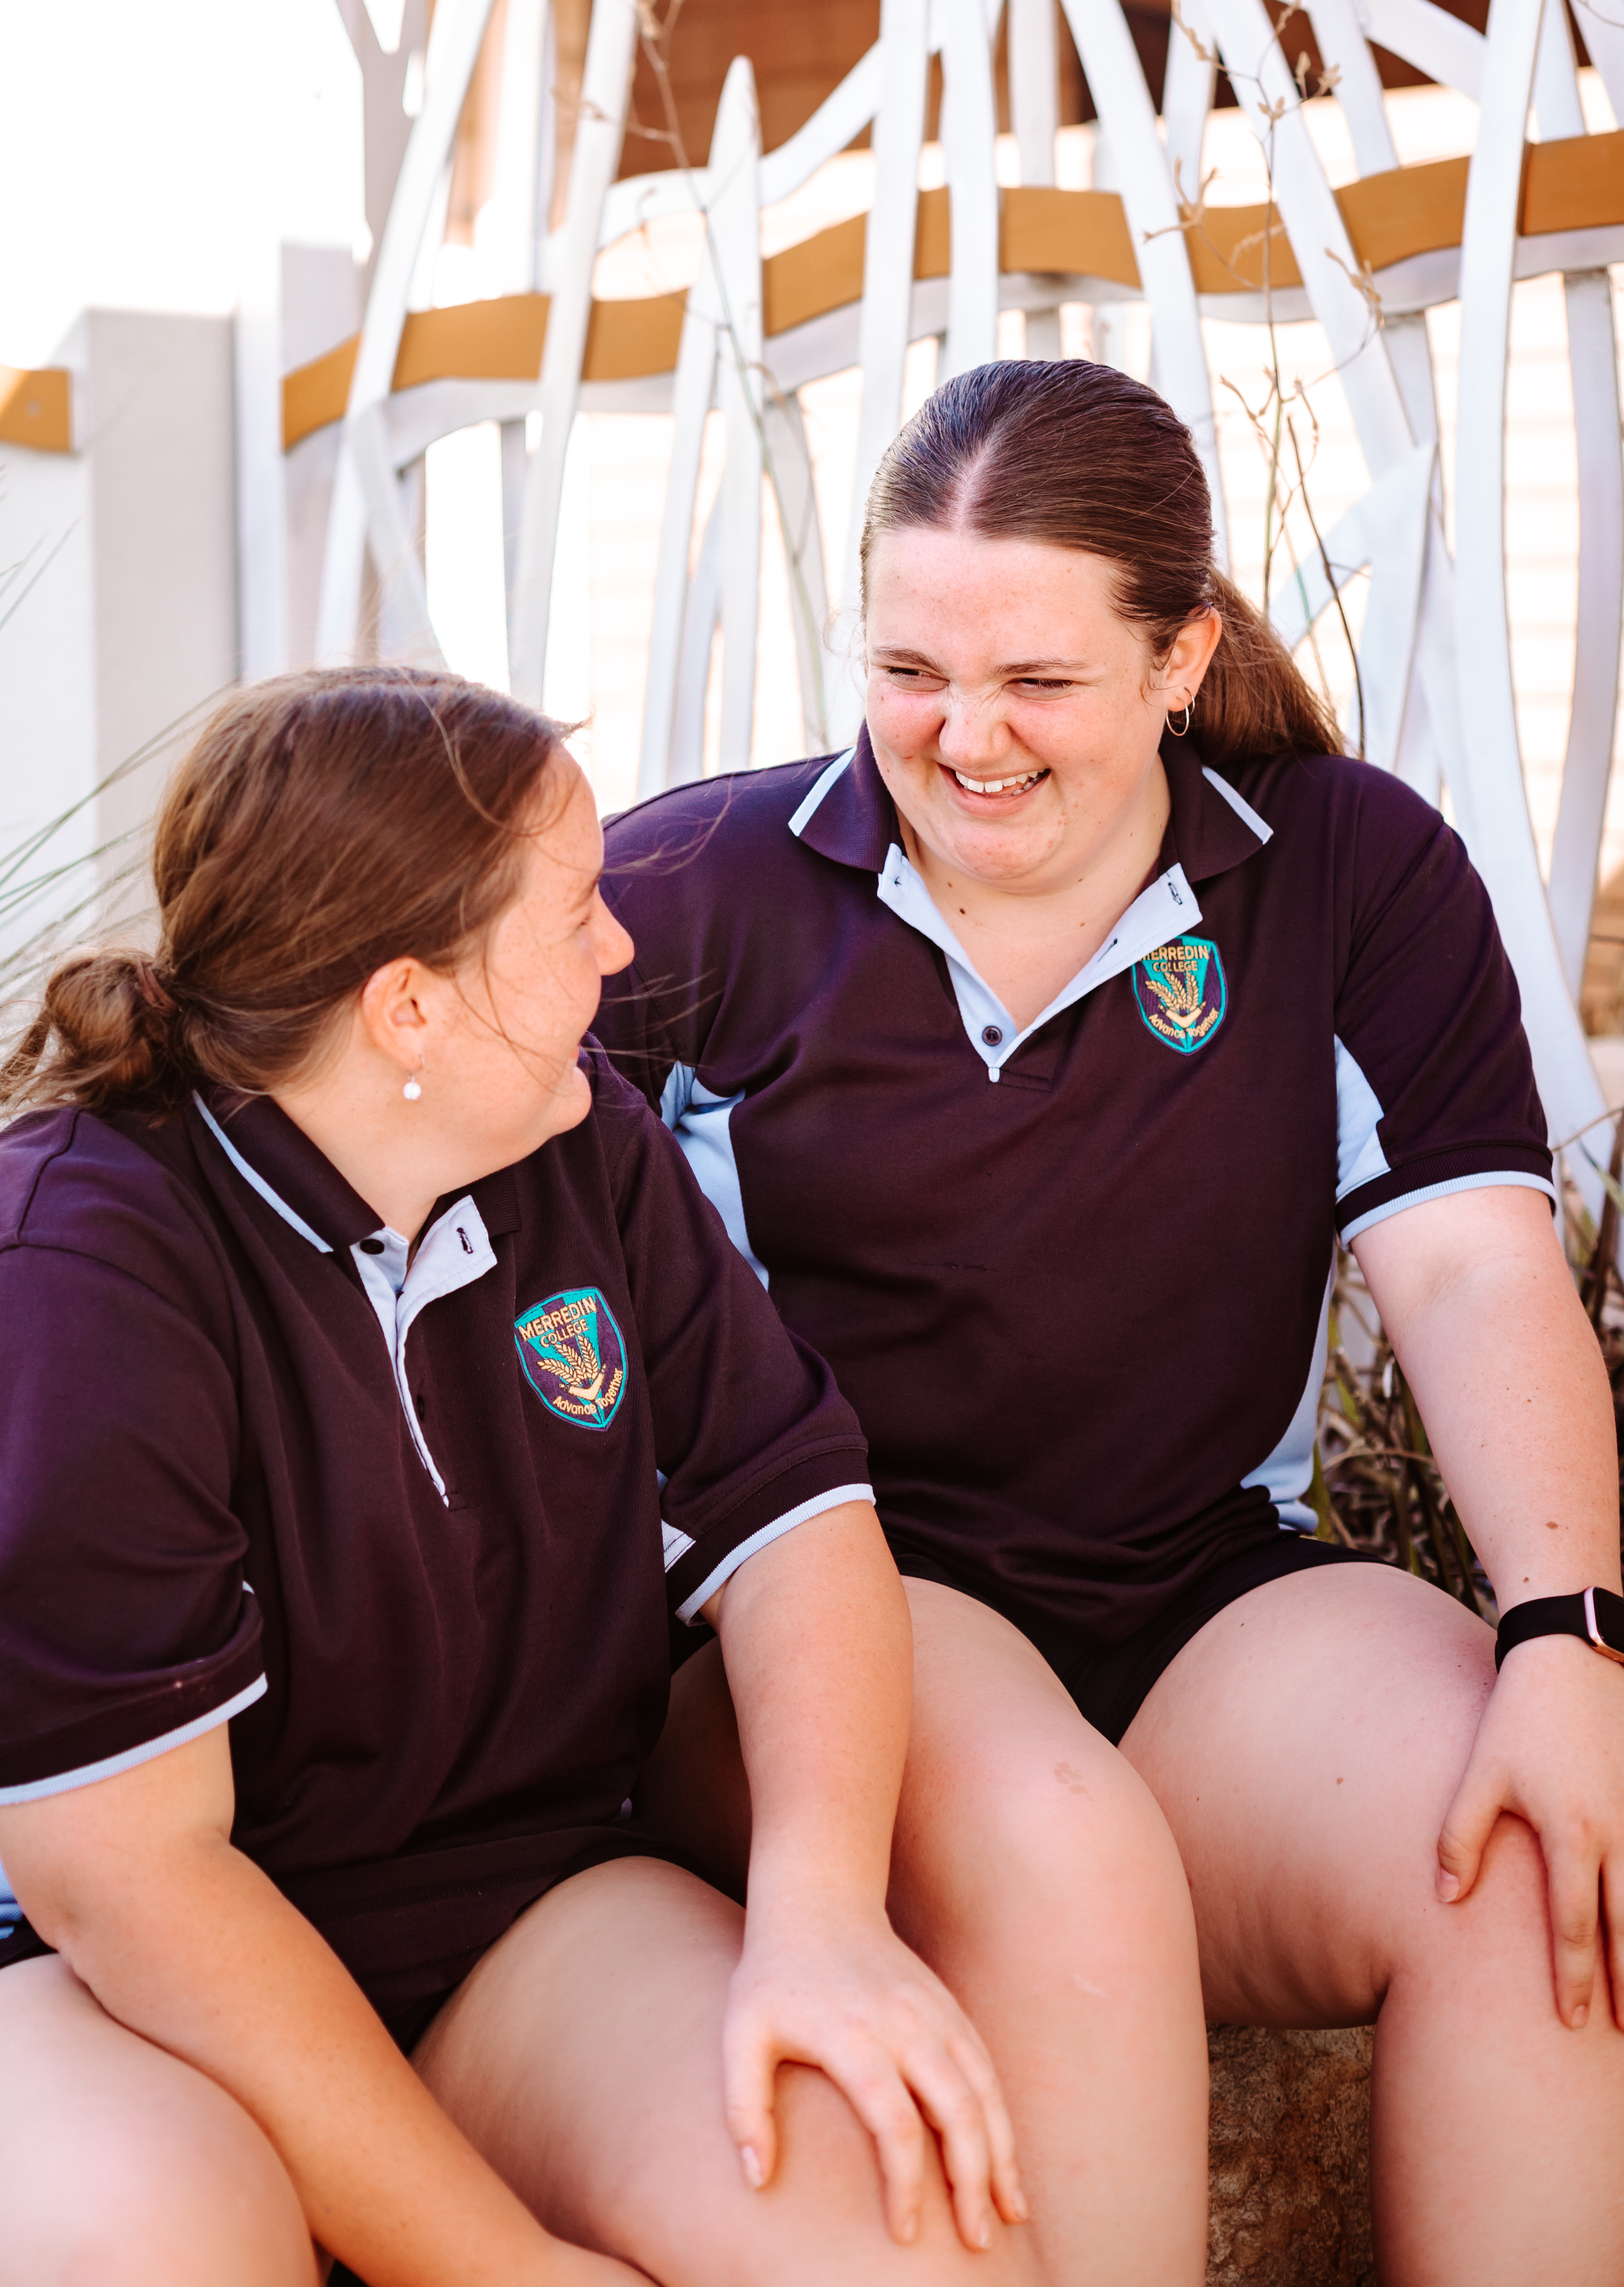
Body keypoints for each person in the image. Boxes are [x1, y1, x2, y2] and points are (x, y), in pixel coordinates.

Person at [0, 667, 1029, 2287]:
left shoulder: (584, 1142)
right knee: (147, 2252)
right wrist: (510, 2264)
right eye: (576, 915)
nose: (622, 949)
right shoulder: (56, 1281)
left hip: (500, 1891)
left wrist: (821, 1916)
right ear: (410, 1005)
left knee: (890, 2232)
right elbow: (133, 1885)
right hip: (46, 1963)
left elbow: (798, 1521)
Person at [598, 358, 1624, 2287]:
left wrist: (1569, 1640)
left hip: (1204, 1600)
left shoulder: (1343, 864)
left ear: (1181, 656)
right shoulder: (688, 899)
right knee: (1060, 1848)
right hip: (827, 1618)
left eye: (1038, 683)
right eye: (910, 669)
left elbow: (1479, 1266)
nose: (963, 735)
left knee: (1538, 1847)